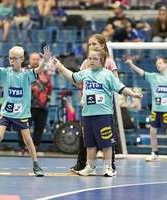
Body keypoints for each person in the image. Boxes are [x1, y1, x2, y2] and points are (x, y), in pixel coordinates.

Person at [56, 46, 142, 177]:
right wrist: (61, 68)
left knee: (106, 143)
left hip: (103, 115)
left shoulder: (107, 74)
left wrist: (133, 94)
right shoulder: (85, 73)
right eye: (90, 58)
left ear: (102, 60)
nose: (91, 61)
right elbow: (73, 77)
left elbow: (121, 87)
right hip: (87, 115)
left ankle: (109, 167)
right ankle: (90, 167)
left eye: (95, 58)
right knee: (89, 143)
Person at [0, 44, 51, 177]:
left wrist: (45, 61)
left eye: (15, 58)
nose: (11, 61)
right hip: (6, 112)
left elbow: (39, 70)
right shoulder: (6, 72)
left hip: (22, 113)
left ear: (22, 59)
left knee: (28, 140)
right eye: (10, 58)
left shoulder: (27, 74)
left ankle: (36, 165)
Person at [70, 33, 119, 174]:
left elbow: (115, 81)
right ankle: (83, 163)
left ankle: (111, 164)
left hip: (104, 105)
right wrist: (82, 98)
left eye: (94, 44)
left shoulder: (109, 62)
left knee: (107, 136)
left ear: (102, 45)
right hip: (88, 105)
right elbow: (82, 82)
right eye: (90, 44)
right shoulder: (86, 62)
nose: (91, 46)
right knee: (84, 136)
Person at [125, 57, 167, 162]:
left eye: (160, 63)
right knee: (152, 131)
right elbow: (142, 72)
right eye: (156, 63)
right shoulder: (153, 77)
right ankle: (154, 153)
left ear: (166, 64)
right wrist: (131, 65)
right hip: (156, 110)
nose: (157, 65)